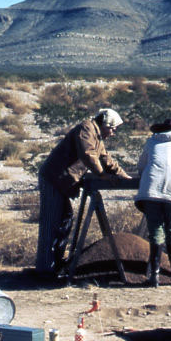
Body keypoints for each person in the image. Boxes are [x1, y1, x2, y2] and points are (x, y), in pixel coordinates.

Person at [36, 108, 131, 277]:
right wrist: (101, 175)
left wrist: (125, 178)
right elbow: (88, 154)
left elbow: (105, 159)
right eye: (113, 129)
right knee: (52, 222)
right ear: (105, 124)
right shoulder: (86, 129)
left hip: (62, 181)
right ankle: (45, 270)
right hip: (54, 179)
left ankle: (55, 264)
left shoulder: (97, 136)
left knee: (64, 220)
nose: (113, 133)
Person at [134, 118, 171, 287]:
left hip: (150, 191)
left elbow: (141, 166)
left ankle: (154, 277)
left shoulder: (151, 141)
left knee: (155, 235)